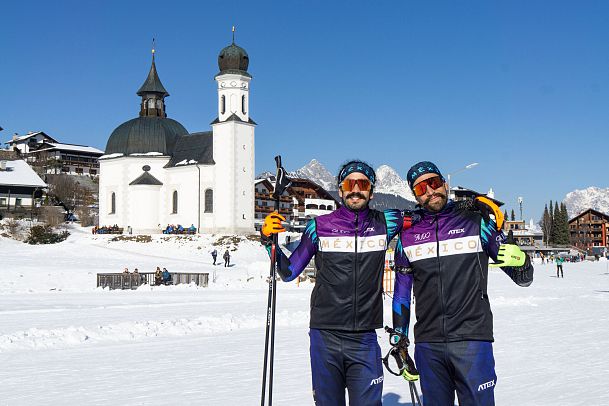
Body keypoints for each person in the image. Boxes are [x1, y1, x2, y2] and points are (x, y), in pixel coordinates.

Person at [260, 160, 503, 406]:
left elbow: (428, 212)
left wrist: (470, 205)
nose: (356, 189)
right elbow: (289, 271)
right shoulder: (319, 227)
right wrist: (267, 239)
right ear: (341, 190)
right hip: (325, 337)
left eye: (362, 184)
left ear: (372, 191)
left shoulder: (386, 222)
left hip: (364, 338)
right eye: (349, 184)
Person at [392, 161, 534, 406]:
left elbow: (524, 278)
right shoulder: (407, 237)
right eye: (420, 188)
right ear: (415, 195)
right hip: (428, 345)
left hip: (472, 341)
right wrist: (400, 342)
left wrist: (521, 260)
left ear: (444, 185)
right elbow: (402, 294)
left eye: (434, 183)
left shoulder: (476, 222)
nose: (429, 191)